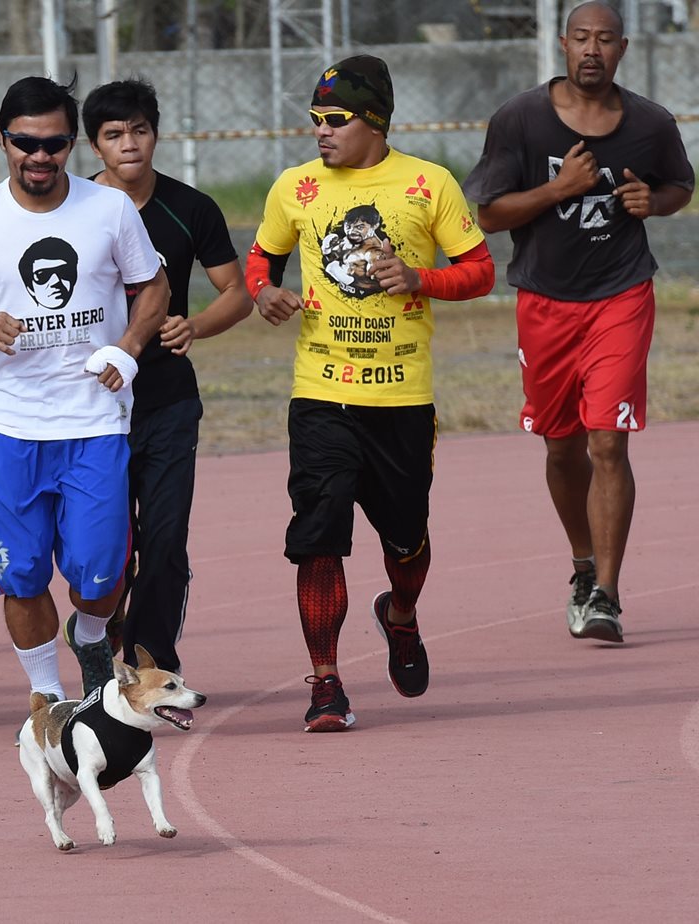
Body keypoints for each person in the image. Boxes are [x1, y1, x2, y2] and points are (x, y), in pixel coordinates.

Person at [246, 54, 494, 732]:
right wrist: (261, 292)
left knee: (406, 537)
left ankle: (402, 613)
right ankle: (326, 683)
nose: (320, 132)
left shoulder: (427, 183)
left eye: (335, 120)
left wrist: (421, 280)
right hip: (320, 393)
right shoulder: (294, 188)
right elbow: (262, 255)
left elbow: (479, 271)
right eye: (315, 120)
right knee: (319, 535)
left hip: (402, 398)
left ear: (374, 122)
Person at [0, 76, 169, 711]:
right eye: (25, 142)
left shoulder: (109, 210)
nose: (39, 155)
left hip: (96, 423)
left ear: (71, 146)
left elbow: (154, 285)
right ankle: (49, 695)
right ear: (3, 140)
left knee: (102, 575)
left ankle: (87, 636)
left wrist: (129, 347)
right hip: (11, 428)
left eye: (54, 143)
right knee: (20, 574)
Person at [463, 0, 693, 644]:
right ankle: (582, 565)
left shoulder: (650, 123)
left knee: (607, 441)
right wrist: (558, 190)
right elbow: (489, 215)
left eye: (606, 40)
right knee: (561, 446)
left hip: (621, 295)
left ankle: (608, 597)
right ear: (562, 44)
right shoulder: (521, 119)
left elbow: (680, 183)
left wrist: (658, 202)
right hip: (544, 302)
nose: (593, 49)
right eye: (581, 38)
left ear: (623, 49)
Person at [80, 77, 252, 673]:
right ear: (94, 146)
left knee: (164, 538)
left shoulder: (191, 208)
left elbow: (238, 293)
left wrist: (196, 326)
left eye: (139, 130)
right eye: (113, 135)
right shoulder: (73, 209)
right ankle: (99, 635)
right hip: (91, 405)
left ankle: (153, 661)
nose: (129, 144)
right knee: (102, 545)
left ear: (156, 134)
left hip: (167, 401)